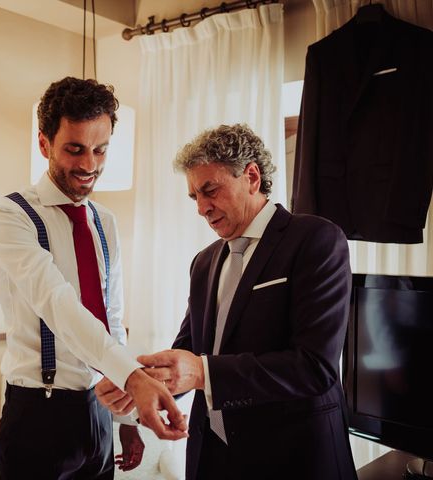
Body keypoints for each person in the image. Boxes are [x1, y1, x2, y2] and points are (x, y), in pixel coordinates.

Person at [97, 124, 357, 479]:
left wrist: (203, 372)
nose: (202, 208)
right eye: (195, 197)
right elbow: (187, 351)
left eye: (211, 191)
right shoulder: (204, 262)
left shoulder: (316, 240)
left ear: (251, 176)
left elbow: (315, 368)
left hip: (294, 457)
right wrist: (139, 382)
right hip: (212, 456)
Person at [0, 76, 187, 480]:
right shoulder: (9, 216)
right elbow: (56, 302)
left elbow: (112, 320)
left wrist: (126, 421)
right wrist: (134, 377)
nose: (90, 165)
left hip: (98, 412)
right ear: (44, 144)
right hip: (38, 414)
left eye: (100, 150)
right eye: (75, 149)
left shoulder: (104, 221)